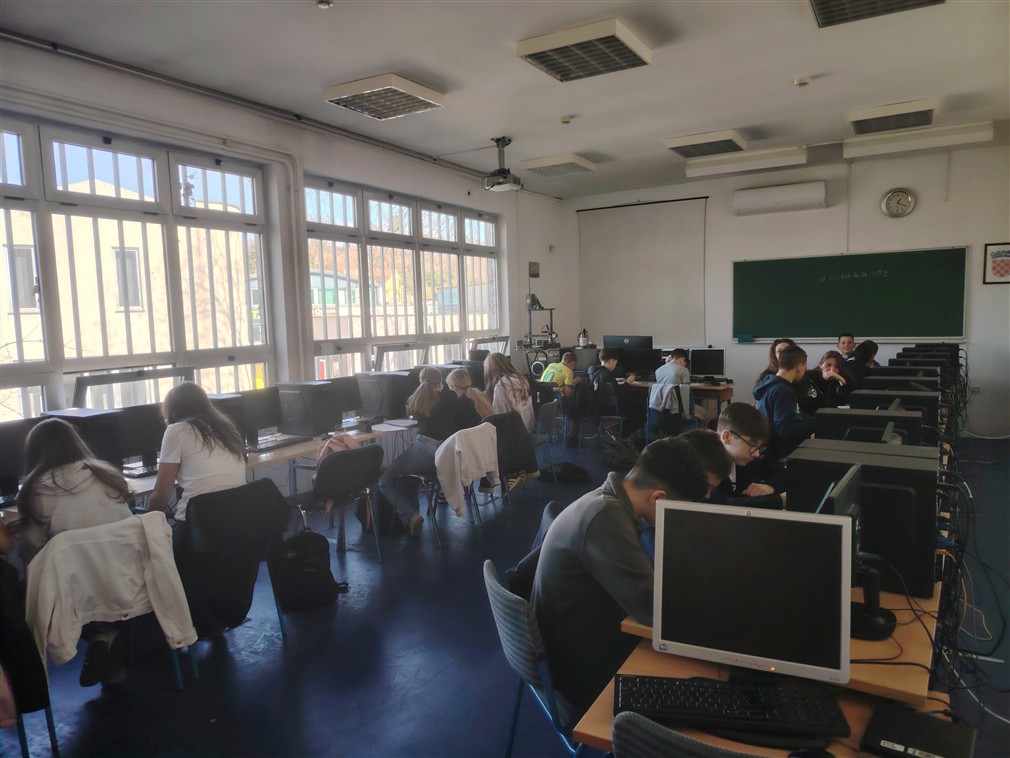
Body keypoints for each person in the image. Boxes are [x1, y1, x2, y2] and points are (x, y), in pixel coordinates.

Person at [531, 437, 709, 718]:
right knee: (698, 681)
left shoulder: (608, 500)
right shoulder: (605, 517)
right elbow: (653, 610)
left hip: (575, 639)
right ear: (658, 498)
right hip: (579, 670)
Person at [15, 418, 134, 687]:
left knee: (27, 585)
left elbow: (32, 551)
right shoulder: (107, 474)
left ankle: (98, 635)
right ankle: (107, 634)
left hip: (79, 588)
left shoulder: (37, 489)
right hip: (129, 576)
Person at [379, 367, 481, 535]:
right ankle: (413, 516)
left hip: (425, 452)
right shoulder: (451, 396)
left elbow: (411, 413)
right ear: (440, 382)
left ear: (421, 381)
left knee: (385, 480)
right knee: (409, 475)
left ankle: (411, 516)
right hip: (448, 455)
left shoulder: (417, 399)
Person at [147, 382, 247, 533]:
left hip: (199, 528)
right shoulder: (226, 427)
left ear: (172, 410)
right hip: (238, 524)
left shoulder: (177, 431)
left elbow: (160, 494)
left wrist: (150, 529)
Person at [753, 345, 815, 461]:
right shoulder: (782, 390)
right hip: (781, 454)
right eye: (804, 366)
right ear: (799, 366)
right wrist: (814, 424)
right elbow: (785, 430)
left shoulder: (772, 385)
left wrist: (813, 419)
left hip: (771, 448)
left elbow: (794, 414)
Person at [483, 352, 535, 432]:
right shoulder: (521, 379)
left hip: (514, 433)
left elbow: (498, 416)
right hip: (529, 428)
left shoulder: (501, 386)